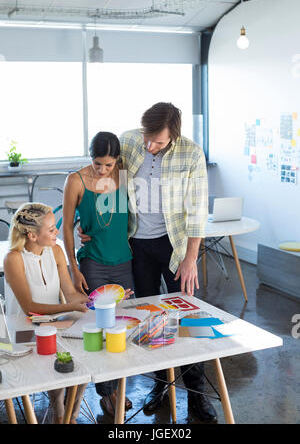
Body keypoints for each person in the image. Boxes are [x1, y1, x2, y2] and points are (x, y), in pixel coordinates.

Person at [79, 102, 218, 423]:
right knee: (150, 319)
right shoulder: (128, 141)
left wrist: (191, 258)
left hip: (174, 247)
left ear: (173, 136)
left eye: (157, 141)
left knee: (188, 317)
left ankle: (197, 394)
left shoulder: (191, 154)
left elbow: (197, 210)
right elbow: (100, 178)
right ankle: (161, 387)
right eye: (147, 137)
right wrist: (83, 224)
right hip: (136, 245)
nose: (148, 145)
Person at [62, 131, 134, 418]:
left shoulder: (124, 176)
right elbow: (66, 226)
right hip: (93, 262)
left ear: (117, 160)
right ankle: (108, 393)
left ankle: (118, 386)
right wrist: (73, 267)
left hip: (124, 261)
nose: (103, 170)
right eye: (97, 163)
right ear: (89, 156)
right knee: (99, 326)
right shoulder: (76, 181)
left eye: (109, 164)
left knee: (122, 325)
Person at [4, 203, 89, 424]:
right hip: (23, 332)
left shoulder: (56, 250)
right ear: (32, 235)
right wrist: (70, 308)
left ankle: (70, 413)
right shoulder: (13, 258)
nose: (57, 232)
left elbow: (70, 294)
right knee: (57, 359)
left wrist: (105, 298)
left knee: (88, 352)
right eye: (51, 229)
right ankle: (59, 412)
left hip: (52, 324)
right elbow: (30, 309)